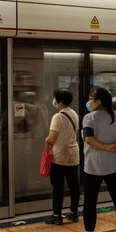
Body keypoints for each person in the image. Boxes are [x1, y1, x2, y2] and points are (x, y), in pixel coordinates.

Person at [80, 87, 116, 232]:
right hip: (114, 166)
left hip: (93, 166)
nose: (89, 102)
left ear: (98, 102)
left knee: (90, 200)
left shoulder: (89, 118)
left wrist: (105, 146)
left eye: (91, 99)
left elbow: (88, 139)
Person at [43, 88, 80, 225]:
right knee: (73, 185)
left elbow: (52, 138)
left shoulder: (58, 117)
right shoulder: (74, 114)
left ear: (59, 101)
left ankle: (57, 215)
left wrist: (46, 139)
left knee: (58, 186)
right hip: (73, 154)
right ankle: (74, 213)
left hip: (59, 156)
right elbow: (75, 133)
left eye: (55, 98)